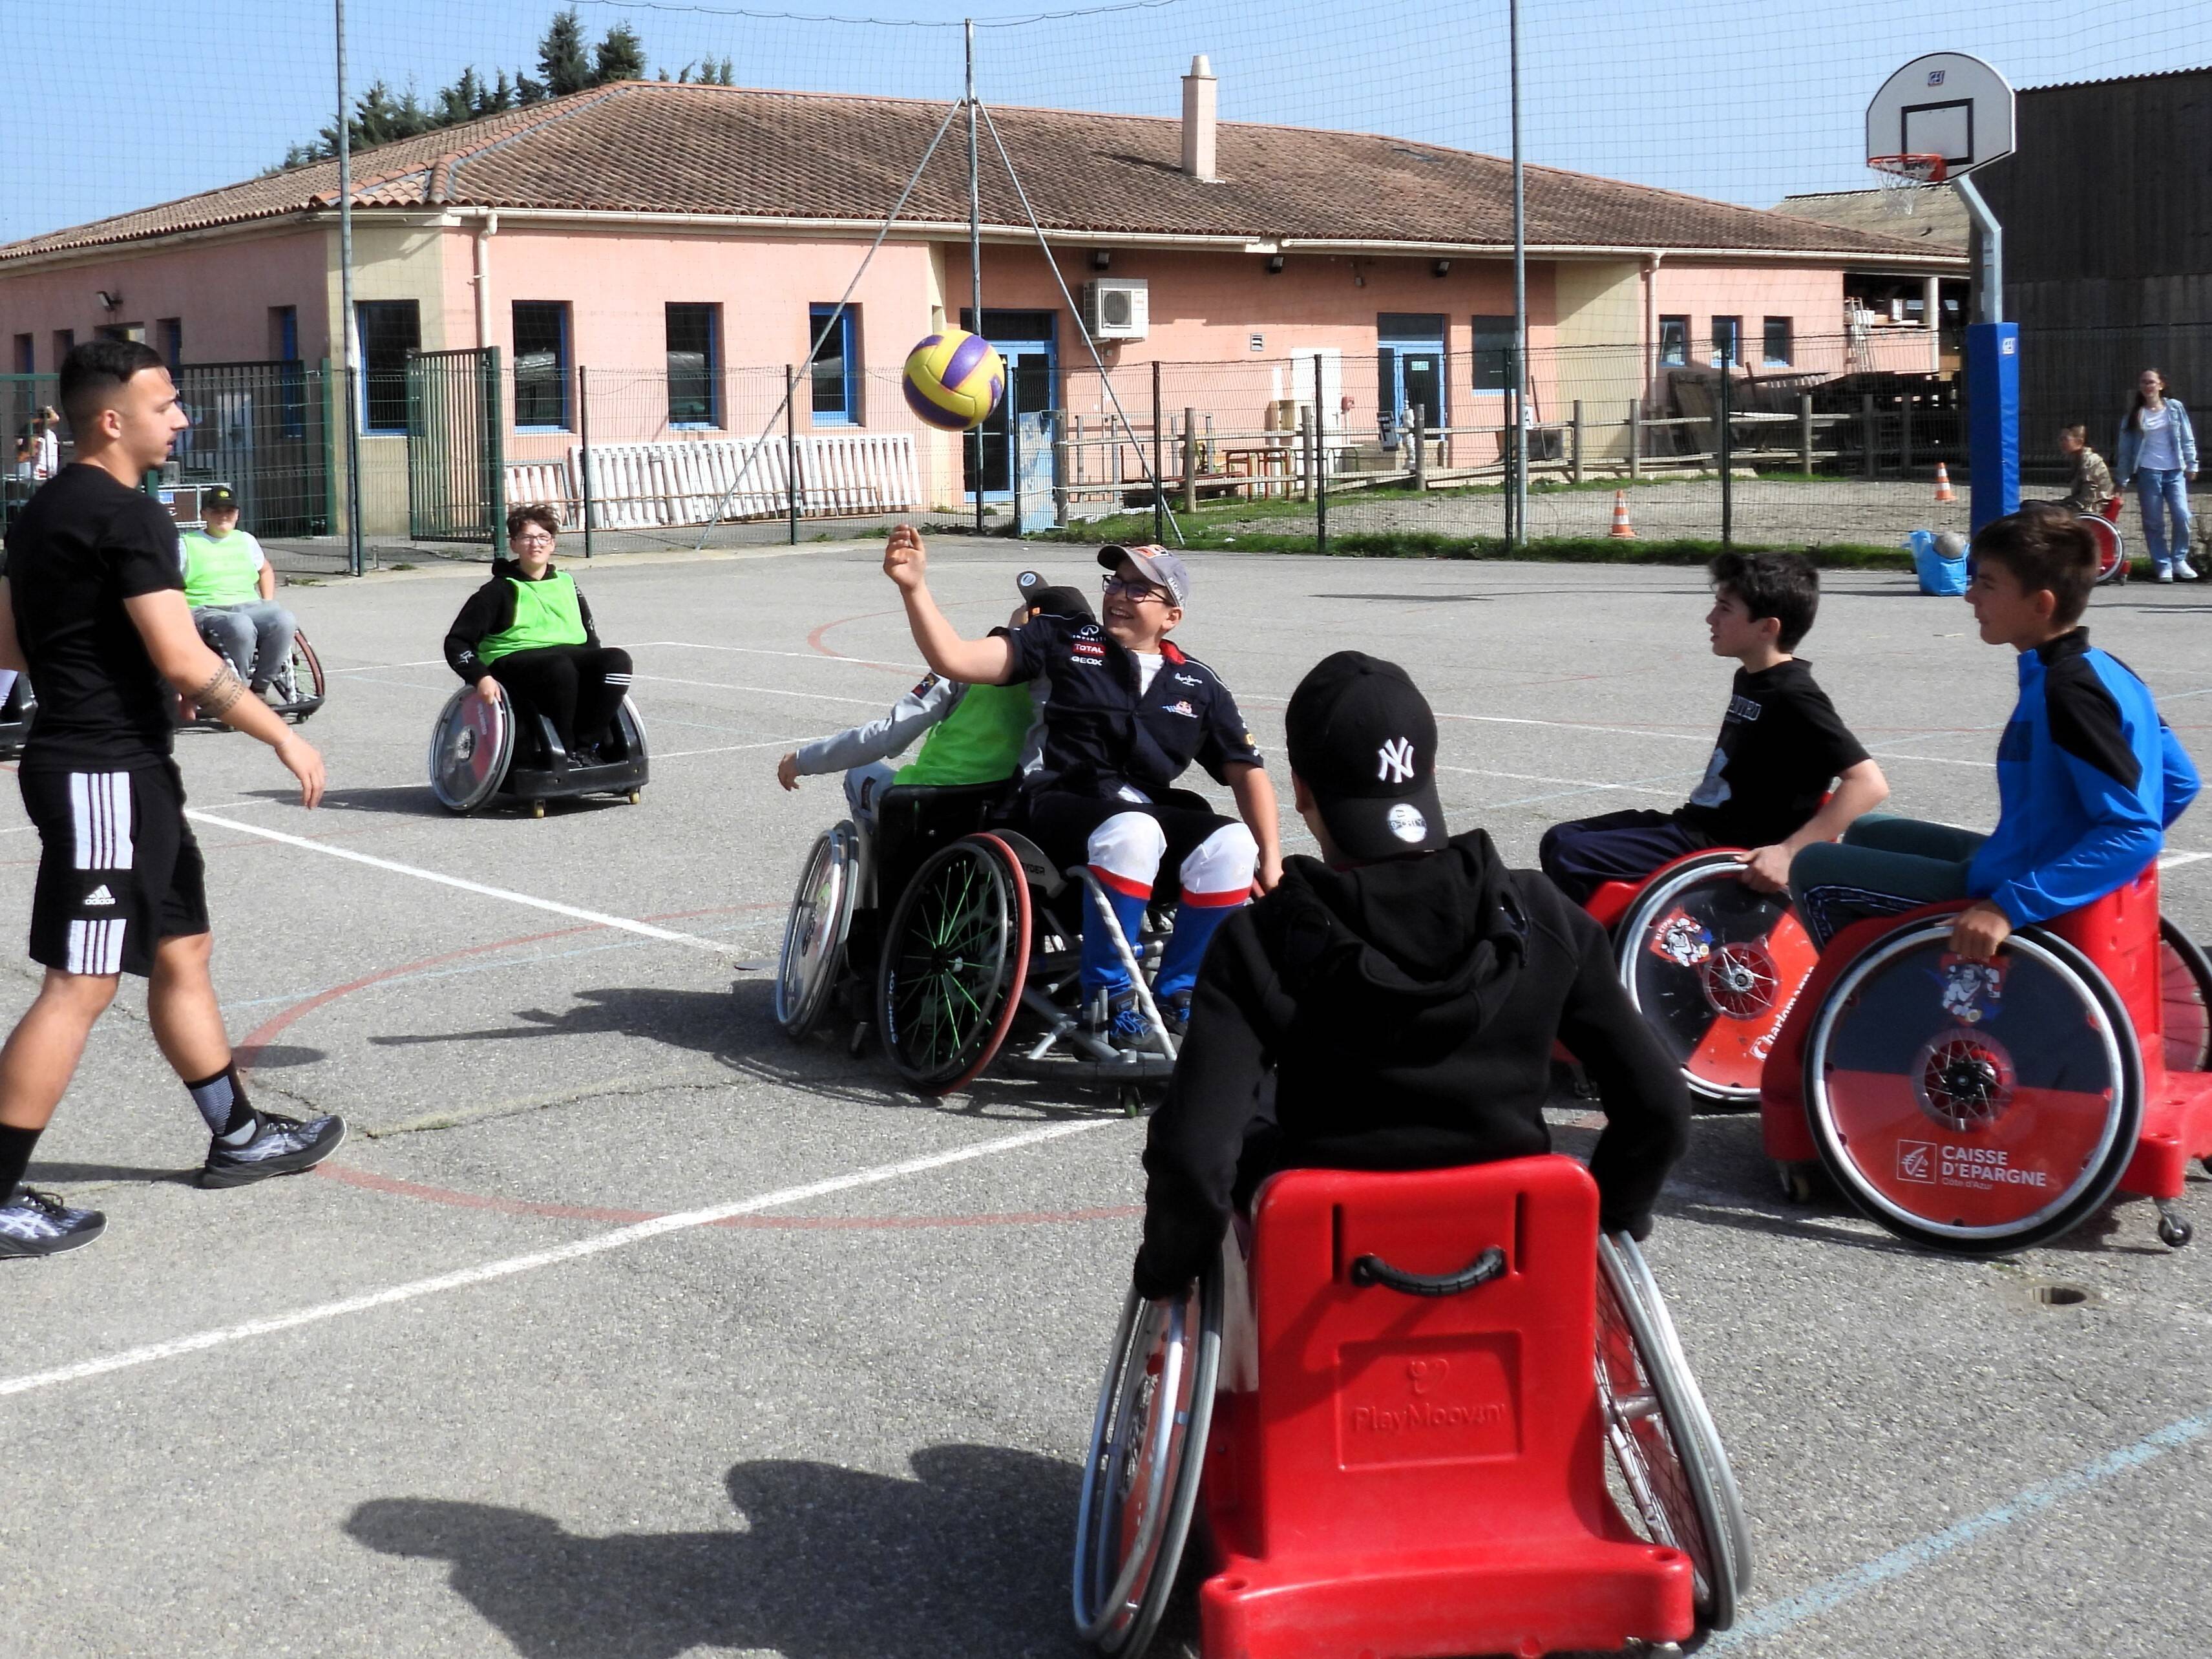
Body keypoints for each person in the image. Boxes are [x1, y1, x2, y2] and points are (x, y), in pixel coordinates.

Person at [1130, 652, 1691, 1299]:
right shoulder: (1541, 916)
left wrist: (1165, 1270)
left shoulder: (1262, 940)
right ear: (1427, 770)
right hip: (1514, 1262)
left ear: (1302, 790)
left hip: (1323, 1274)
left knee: (1256, 1115)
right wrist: (1607, 1218)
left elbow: (1195, 1157)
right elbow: (1659, 1107)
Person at [0, 340, 338, 1260]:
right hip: (103, 773)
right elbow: (188, 659)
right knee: (80, 983)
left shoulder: (42, 509)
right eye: (166, 404)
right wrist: (282, 733)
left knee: (182, 949)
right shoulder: (131, 515)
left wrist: (117, 667)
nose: (181, 418)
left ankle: (239, 1135)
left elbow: (12, 640)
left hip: (118, 764)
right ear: (113, 420)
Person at [881, 526, 1281, 1047]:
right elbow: (953, 659)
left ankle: (1179, 994)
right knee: (1134, 830)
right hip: (1056, 805)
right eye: (1115, 582)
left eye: (1139, 589)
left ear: (1171, 616)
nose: (1119, 595)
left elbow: (1247, 770)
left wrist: (1272, 859)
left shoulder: (1197, 682)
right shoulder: (1064, 638)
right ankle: (1109, 1000)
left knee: (1232, 842)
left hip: (1140, 814)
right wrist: (913, 587)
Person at [1791, 507, 2199, 957]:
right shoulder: (2104, 669)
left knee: (1814, 867)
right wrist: (2080, 863)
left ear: (2041, 604)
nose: (1970, 596)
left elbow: (2135, 834)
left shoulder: (2067, 694)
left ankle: (1871, 992)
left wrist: (2017, 902)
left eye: (1987, 584)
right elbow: (2181, 781)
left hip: (2018, 885)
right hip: (2019, 862)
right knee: (1868, 830)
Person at [1539, 551, 1889, 903]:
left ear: (1767, 628)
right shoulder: (1752, 678)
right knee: (1559, 838)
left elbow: (1869, 784)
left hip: (1725, 845)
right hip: (1696, 824)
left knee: (1573, 855)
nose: (1710, 619)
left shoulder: (1795, 695)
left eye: (1725, 609)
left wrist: (1789, 852)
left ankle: (1596, 938)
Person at [776, 573, 1093, 828]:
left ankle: (876, 871)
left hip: (929, 798)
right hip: (1003, 804)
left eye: (1026, 607)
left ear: (1032, 624)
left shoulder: (964, 667)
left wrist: (804, 760)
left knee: (859, 773)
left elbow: (889, 735)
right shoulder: (1076, 687)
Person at [444, 505, 633, 762]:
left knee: (617, 661)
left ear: (552, 544)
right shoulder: (498, 591)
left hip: (563, 655)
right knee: (560, 667)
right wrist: (480, 677)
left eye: (543, 537)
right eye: (527, 537)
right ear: (514, 545)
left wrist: (596, 672)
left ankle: (586, 746)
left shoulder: (566, 584)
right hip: (512, 658)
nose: (536, 544)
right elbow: (457, 642)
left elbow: (589, 636)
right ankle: (564, 749)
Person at [180, 485, 297, 697]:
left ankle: (260, 688)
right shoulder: (187, 544)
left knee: (285, 620)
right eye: (217, 511)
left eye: (229, 511)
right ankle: (238, 691)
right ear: (204, 514)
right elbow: (169, 582)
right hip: (208, 609)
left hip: (250, 605)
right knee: (240, 625)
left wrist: (268, 601)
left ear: (237, 514)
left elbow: (265, 570)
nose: (224, 516)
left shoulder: (246, 540)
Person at [2116, 368, 2198, 582]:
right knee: (2153, 522)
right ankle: (2163, 565)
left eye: (2151, 382)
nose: (2147, 386)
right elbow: (2125, 450)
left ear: (2161, 385)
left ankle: (2179, 559)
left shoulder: (2175, 408)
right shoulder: (2135, 415)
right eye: (2144, 382)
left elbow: (2187, 437)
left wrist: (2192, 464)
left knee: (2182, 515)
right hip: (2148, 472)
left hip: (2174, 471)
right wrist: (2122, 479)